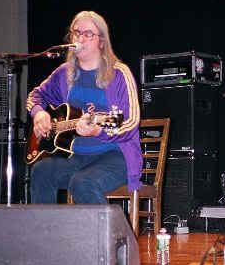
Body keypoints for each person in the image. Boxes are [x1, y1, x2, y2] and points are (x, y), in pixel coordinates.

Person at [26, 10, 141, 204]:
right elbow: (35, 96)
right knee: (41, 171)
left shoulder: (120, 73)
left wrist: (98, 131)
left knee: (83, 182)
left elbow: (130, 122)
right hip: (76, 156)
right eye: (76, 32)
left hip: (114, 156)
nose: (80, 38)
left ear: (101, 42)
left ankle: (108, 235)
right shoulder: (64, 73)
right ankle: (47, 233)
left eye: (88, 34)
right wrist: (39, 114)